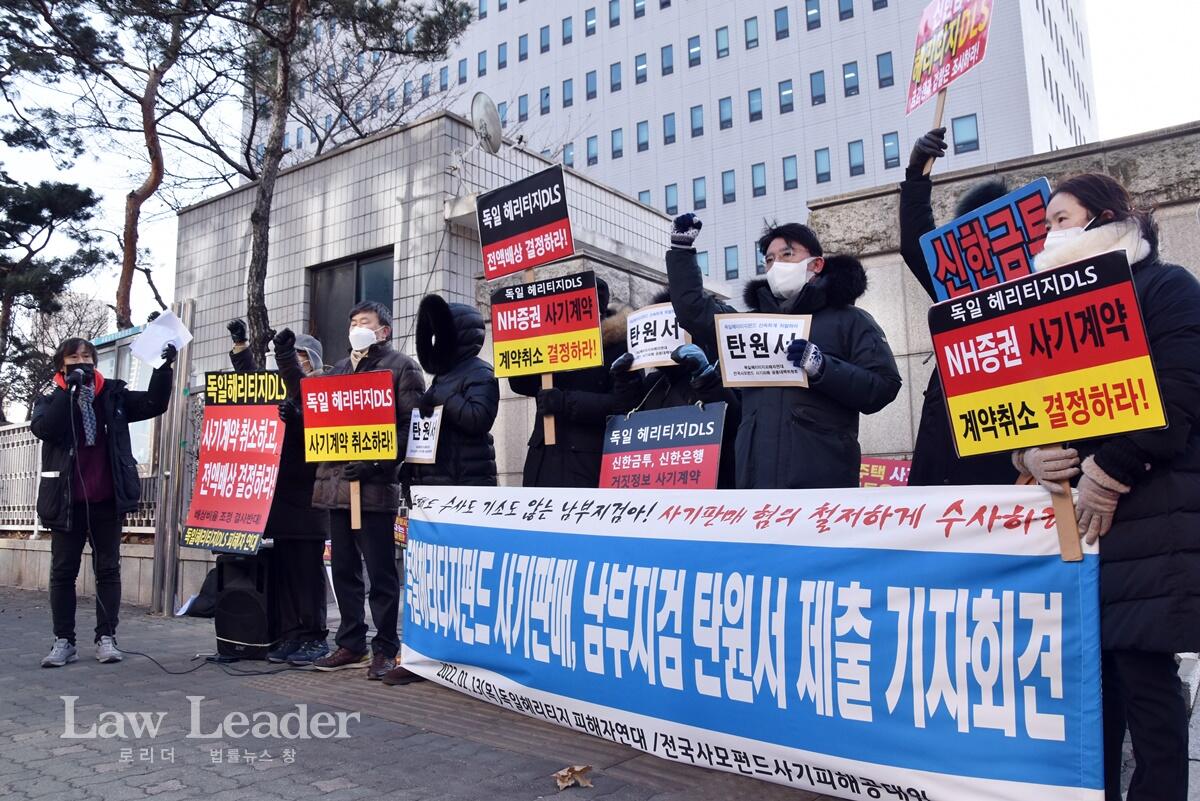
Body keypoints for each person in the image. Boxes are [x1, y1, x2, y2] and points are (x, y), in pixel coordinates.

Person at [1010, 173, 1200, 801]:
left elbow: (1178, 399)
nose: (1047, 236)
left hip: (1150, 513)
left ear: (1107, 218)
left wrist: (1110, 471)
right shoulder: (1047, 311)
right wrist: (1028, 452)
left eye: (1060, 220)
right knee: (1092, 684)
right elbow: (1022, 406)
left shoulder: (1165, 288)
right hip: (1074, 524)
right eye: (1046, 225)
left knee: (1147, 679)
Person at [667, 214, 901, 488]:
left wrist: (823, 368)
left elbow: (884, 386)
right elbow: (694, 311)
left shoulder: (850, 320)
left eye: (787, 255)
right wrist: (681, 252)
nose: (776, 265)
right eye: (769, 259)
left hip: (822, 483)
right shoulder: (749, 326)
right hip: (755, 480)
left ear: (816, 264)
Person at [33, 337, 176, 667]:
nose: (82, 360)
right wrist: (68, 393)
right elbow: (46, 428)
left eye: (87, 356)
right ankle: (63, 641)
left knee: (108, 570)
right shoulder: (50, 398)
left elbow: (155, 403)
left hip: (106, 499)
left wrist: (162, 366)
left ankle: (106, 638)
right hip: (66, 502)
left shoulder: (113, 394)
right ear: (61, 365)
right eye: (74, 356)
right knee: (62, 573)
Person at [310, 301, 425, 680]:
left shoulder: (401, 367)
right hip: (336, 488)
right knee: (343, 570)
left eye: (366, 322)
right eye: (353, 322)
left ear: (383, 331)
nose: (357, 327)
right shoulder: (338, 371)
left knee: (381, 573)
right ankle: (351, 643)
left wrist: (378, 464)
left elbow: (410, 426)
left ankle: (386, 647)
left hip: (374, 492)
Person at [899, 127, 1018, 486]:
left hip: (1013, 451)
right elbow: (916, 242)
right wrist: (916, 174)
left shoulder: (1043, 286)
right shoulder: (956, 286)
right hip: (946, 447)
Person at [225, 320, 331, 667]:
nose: (295, 364)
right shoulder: (282, 394)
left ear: (312, 362)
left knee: (307, 575)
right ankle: (289, 635)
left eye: (301, 357)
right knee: (284, 572)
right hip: (279, 498)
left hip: (310, 498)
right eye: (292, 357)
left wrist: (298, 417)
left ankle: (313, 636)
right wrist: (241, 349)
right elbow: (255, 387)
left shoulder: (324, 391)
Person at [509, 276, 634, 488]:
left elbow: (624, 404)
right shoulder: (552, 344)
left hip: (585, 464)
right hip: (542, 462)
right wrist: (522, 343)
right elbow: (521, 384)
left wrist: (565, 402)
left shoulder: (618, 348)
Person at [610, 292, 741, 488]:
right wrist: (625, 381)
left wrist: (705, 379)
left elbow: (734, 422)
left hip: (707, 491)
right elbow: (627, 423)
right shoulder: (654, 382)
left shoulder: (722, 371)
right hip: (656, 487)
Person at [407, 294, 500, 487]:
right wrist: (412, 468)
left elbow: (479, 419)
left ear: (455, 335)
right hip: (439, 481)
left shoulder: (480, 371)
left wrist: (442, 397)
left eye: (438, 335)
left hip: (467, 481)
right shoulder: (443, 376)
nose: (434, 342)